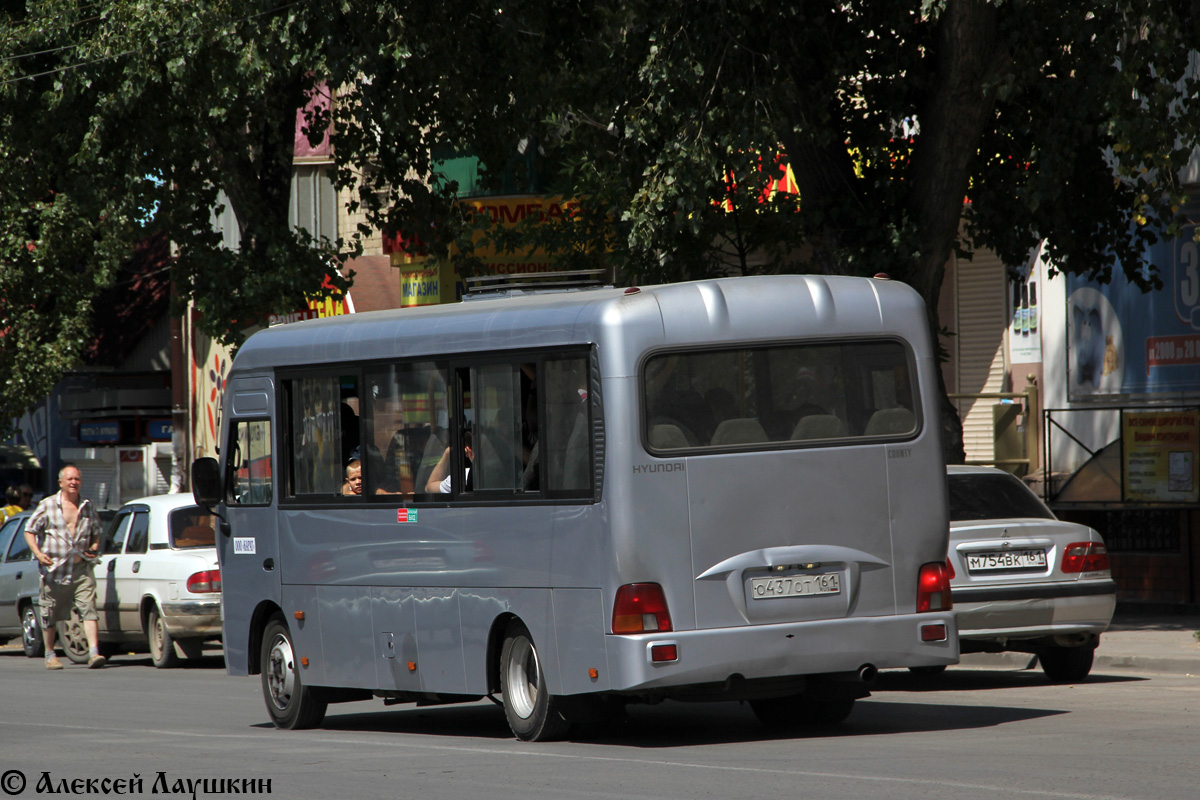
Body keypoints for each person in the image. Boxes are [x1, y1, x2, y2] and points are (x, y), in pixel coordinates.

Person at [24, 465, 106, 670]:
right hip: (55, 570)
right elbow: (29, 530)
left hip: (81, 569)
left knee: (89, 609)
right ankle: (50, 654)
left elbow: (97, 531)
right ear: (61, 482)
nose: (74, 482)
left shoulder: (87, 505)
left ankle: (94, 653)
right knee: (49, 613)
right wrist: (38, 553)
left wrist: (94, 546)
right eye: (70, 479)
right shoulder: (48, 505)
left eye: (77, 479)